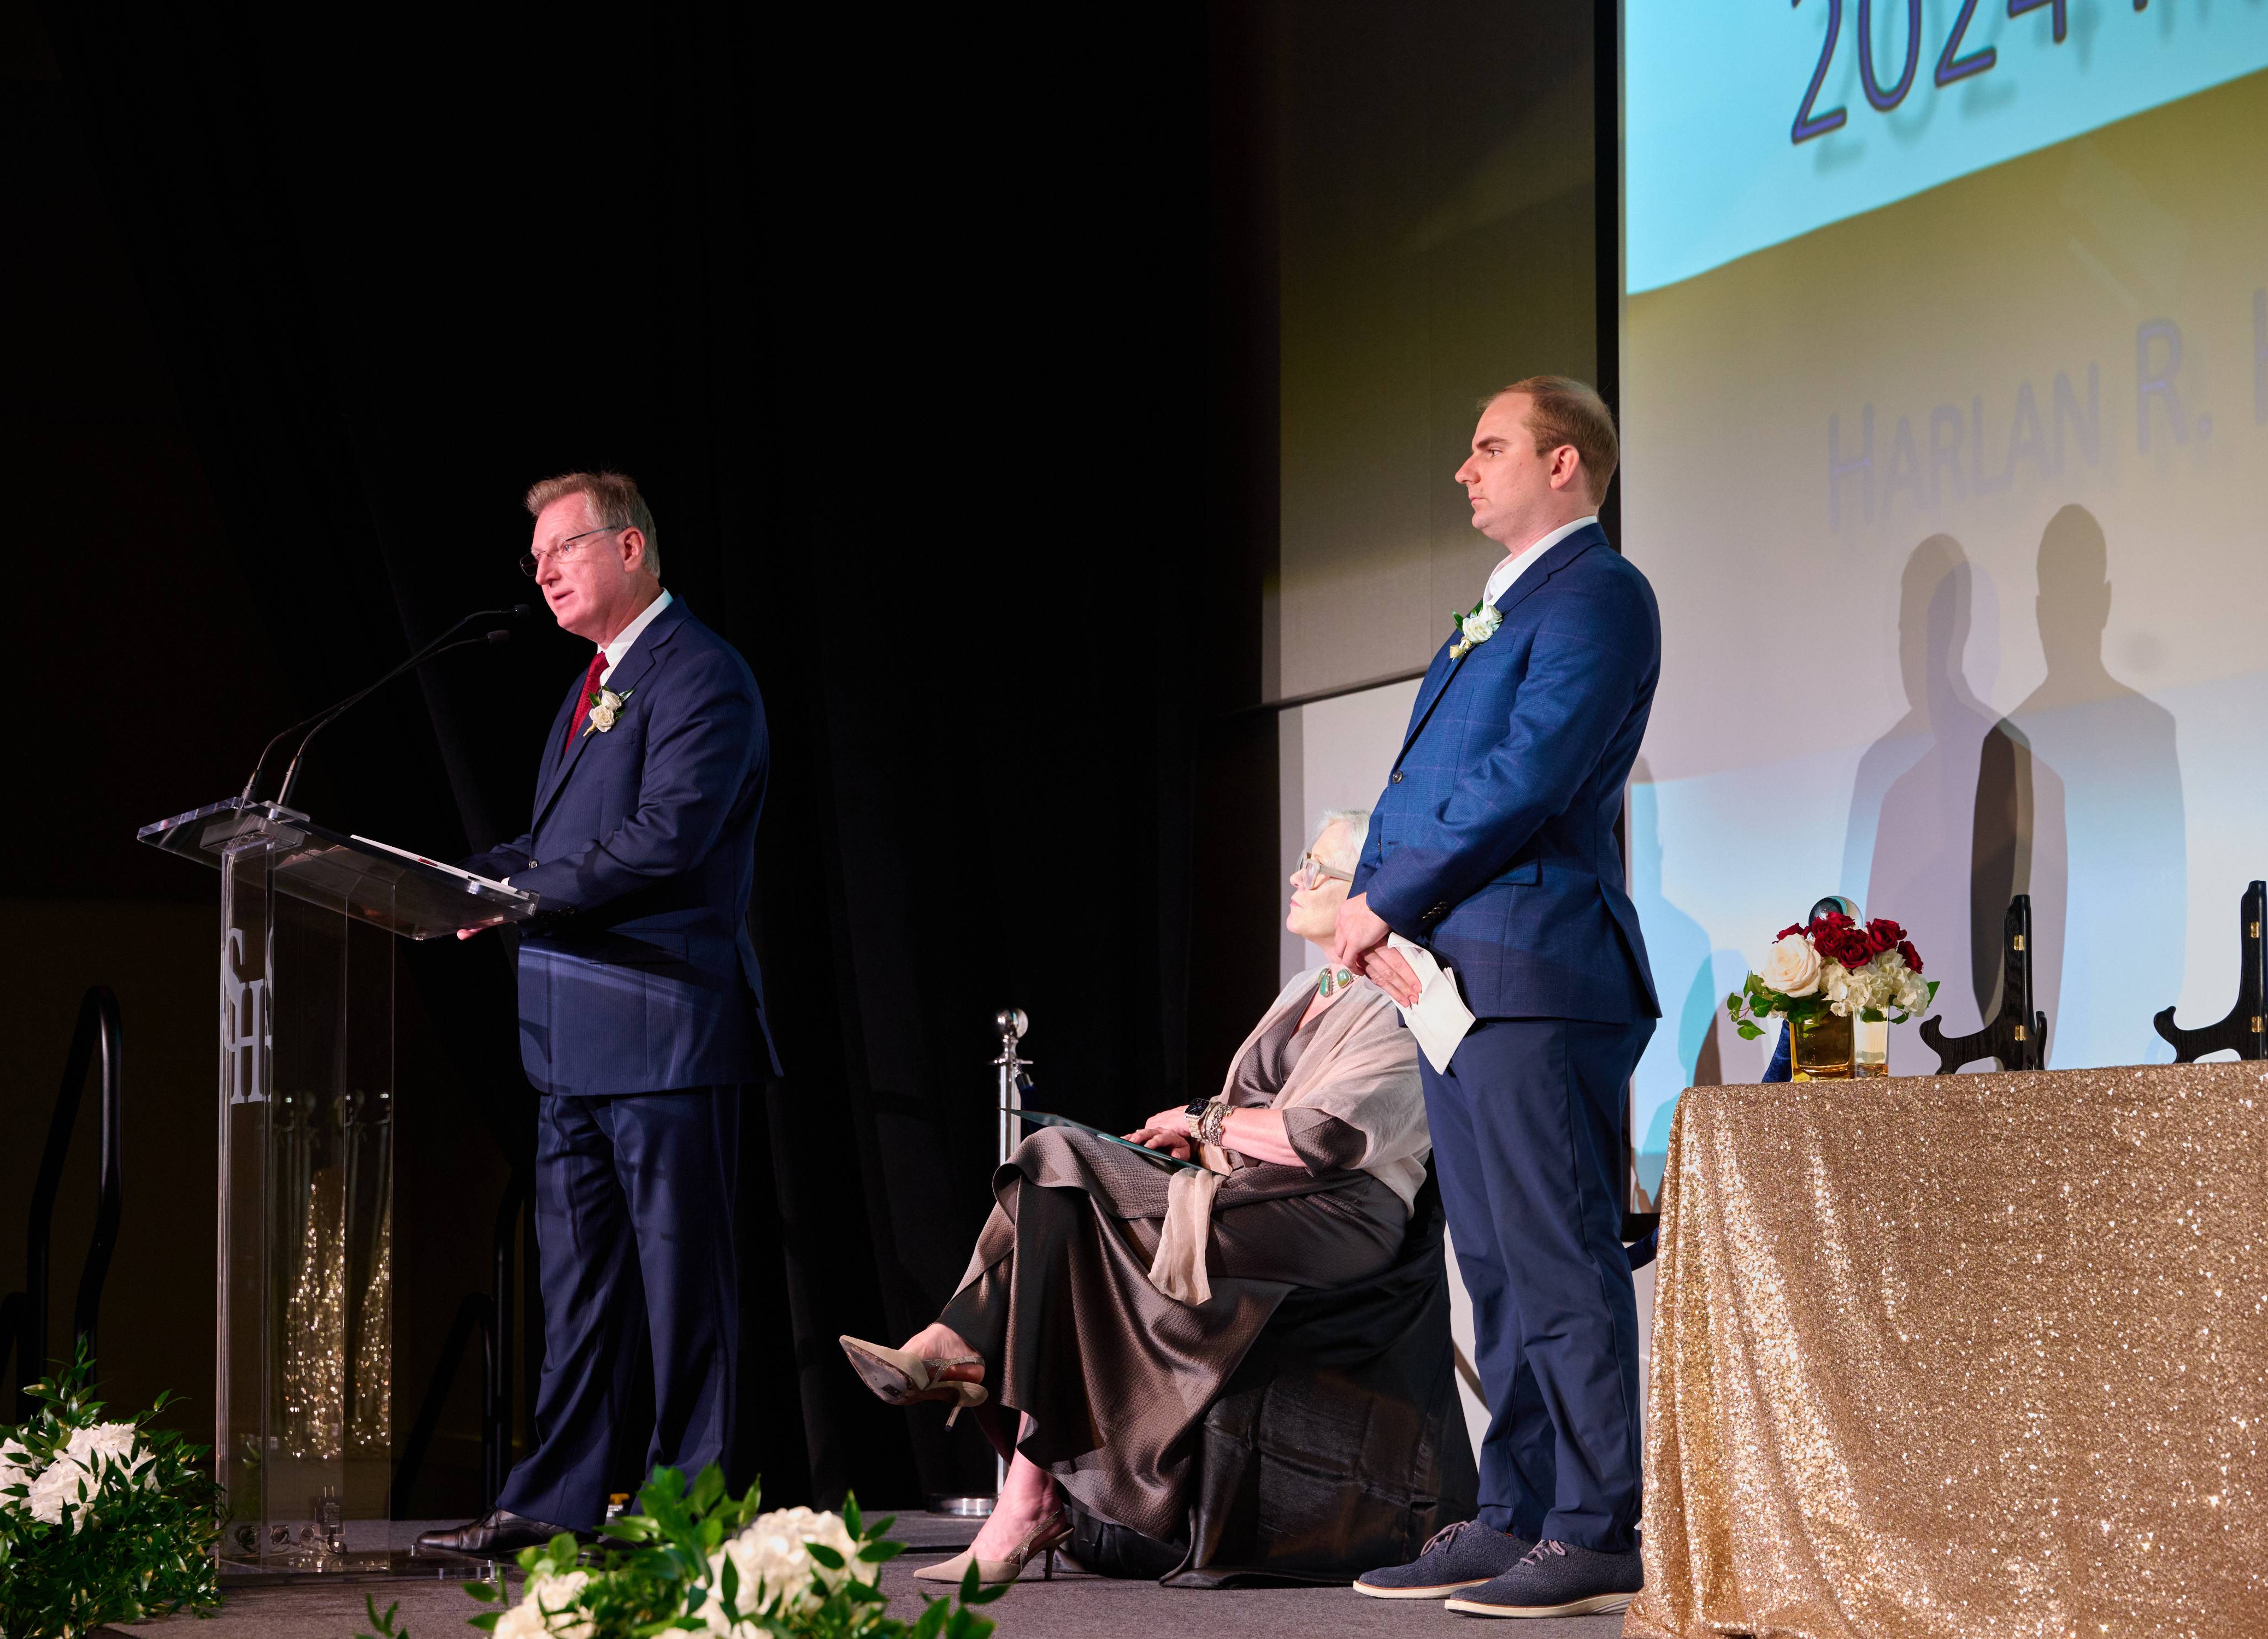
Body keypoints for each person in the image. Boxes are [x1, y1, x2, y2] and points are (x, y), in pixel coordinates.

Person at [836, 810, 1430, 1585]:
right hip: (1247, 1193)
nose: (1297, 878)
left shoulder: (1400, 994)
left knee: (1053, 1160)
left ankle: (964, 1357)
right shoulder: (1303, 988)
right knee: (1058, 1201)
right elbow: (1251, 1119)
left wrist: (1201, 1121)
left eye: (1317, 869)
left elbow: (1327, 1138)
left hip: (1336, 1215)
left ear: (1368, 893)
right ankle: (1024, 1490)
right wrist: (1201, 1144)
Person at [1335, 377, 1661, 1620]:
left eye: (1489, 448)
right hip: (1456, 979)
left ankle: (1598, 1527)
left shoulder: (1600, 594)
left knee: (1557, 1254)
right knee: (1494, 1264)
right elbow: (1427, 782)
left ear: (1564, 463)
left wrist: (1386, 895)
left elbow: (1528, 777)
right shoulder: (1505, 604)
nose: (1465, 471)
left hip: (1539, 971)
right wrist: (1366, 899)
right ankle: (1517, 1511)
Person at [417, 471, 779, 1557]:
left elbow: (669, 837)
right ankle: (554, 1500)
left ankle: (686, 1508)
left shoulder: (702, 674)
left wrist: (520, 895)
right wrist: (466, 882)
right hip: (571, 1040)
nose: (542, 573)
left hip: (664, 1032)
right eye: (535, 558)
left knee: (681, 1290)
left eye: (562, 549)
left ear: (630, 548)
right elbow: (558, 844)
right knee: (575, 1295)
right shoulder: (593, 686)